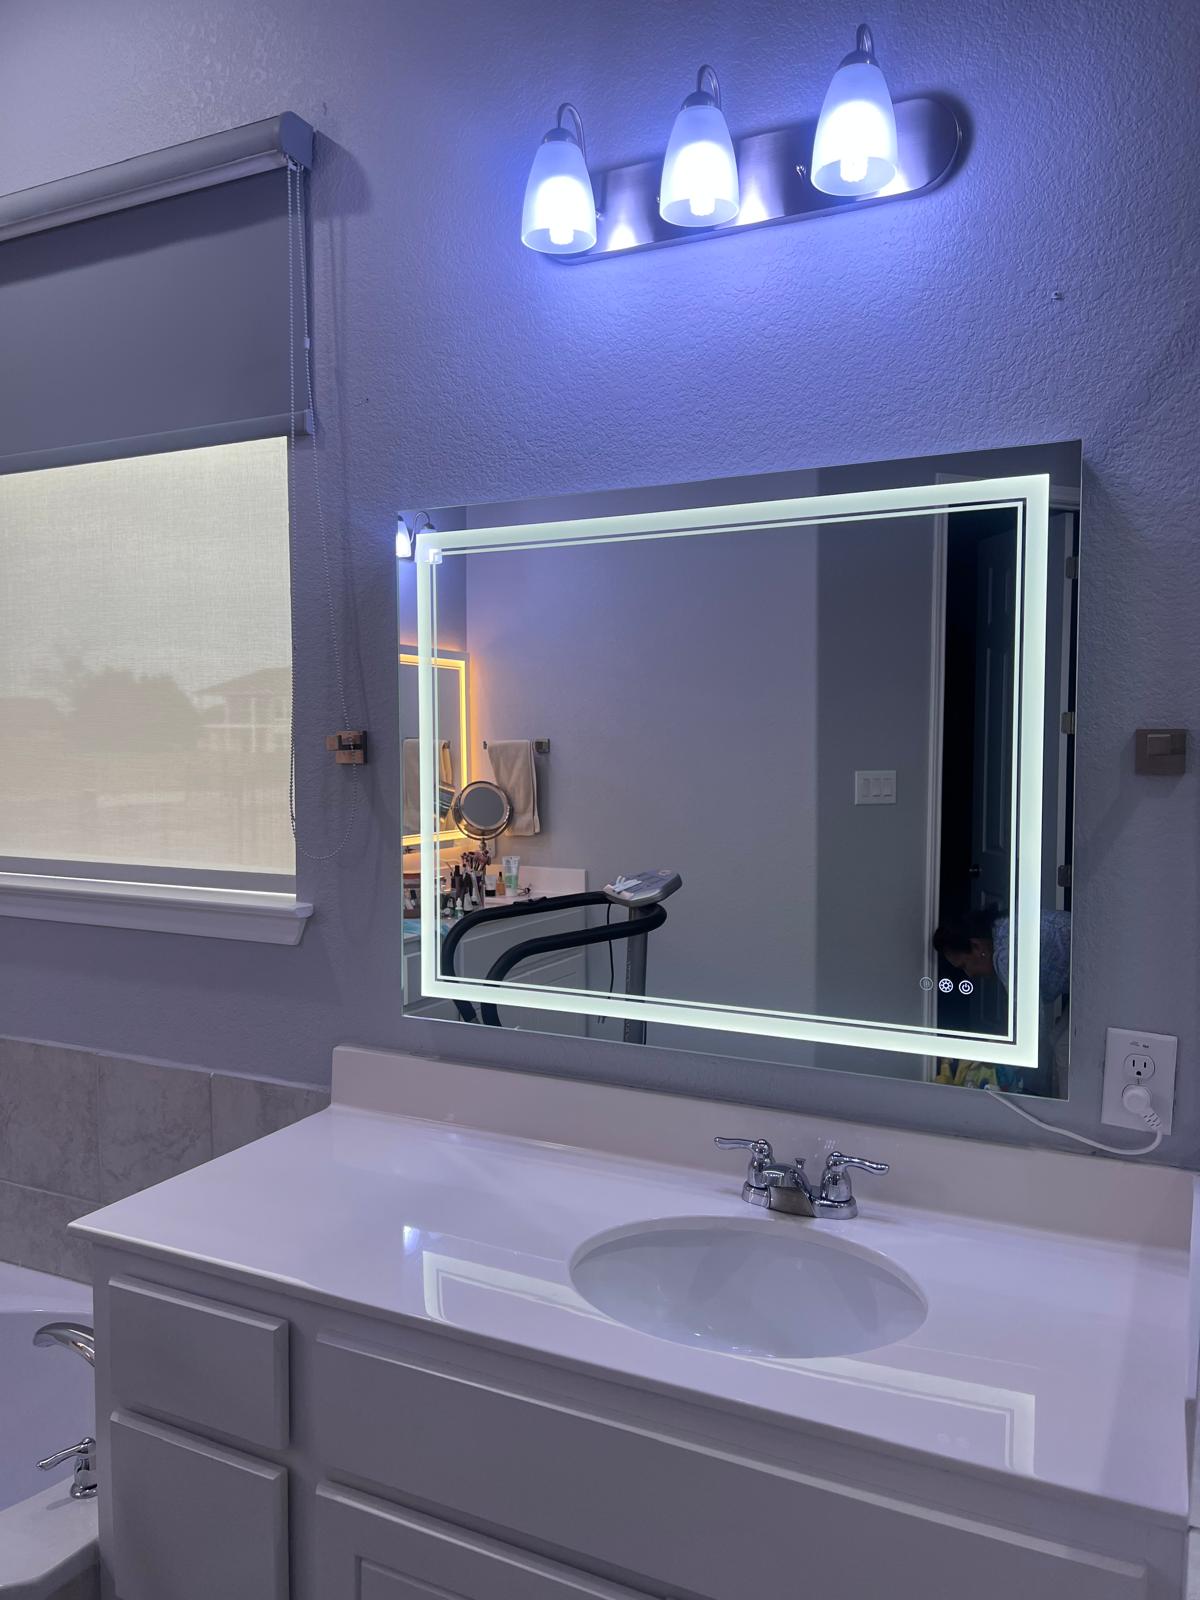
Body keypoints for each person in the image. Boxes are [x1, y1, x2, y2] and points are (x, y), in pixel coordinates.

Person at [933, 908, 1071, 1005]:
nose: (969, 974)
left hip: (1087, 964)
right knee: (1059, 1041)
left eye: (964, 965)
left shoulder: (1004, 957)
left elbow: (1031, 1024)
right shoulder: (1005, 924)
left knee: (1060, 1045)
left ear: (976, 946)